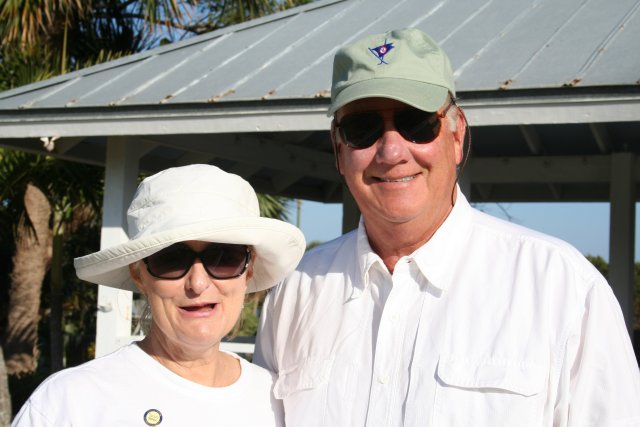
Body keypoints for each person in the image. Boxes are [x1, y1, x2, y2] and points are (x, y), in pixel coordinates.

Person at [254, 28, 640, 426]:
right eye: (362, 129)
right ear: (339, 150)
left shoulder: (563, 288)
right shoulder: (294, 292)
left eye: (417, 123)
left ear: (457, 135)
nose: (391, 151)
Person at [12, 164, 305, 426]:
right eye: (172, 259)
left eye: (224, 257)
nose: (198, 283)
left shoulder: (280, 401)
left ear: (248, 270)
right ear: (139, 274)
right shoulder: (71, 402)